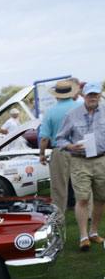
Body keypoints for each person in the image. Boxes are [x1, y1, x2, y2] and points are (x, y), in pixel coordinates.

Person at [55, 82, 105, 251]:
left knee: (101, 199)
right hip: (79, 161)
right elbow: (60, 138)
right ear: (83, 94)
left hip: (101, 160)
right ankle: (83, 236)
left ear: (100, 95)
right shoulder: (72, 114)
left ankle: (94, 232)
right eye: (89, 94)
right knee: (82, 199)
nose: (92, 97)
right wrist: (70, 146)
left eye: (95, 94)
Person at [39, 78, 82, 221]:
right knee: (83, 183)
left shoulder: (51, 112)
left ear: (56, 95)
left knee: (59, 187)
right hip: (81, 149)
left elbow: (44, 137)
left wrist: (41, 154)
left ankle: (58, 216)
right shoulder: (81, 107)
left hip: (60, 150)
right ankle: (88, 214)